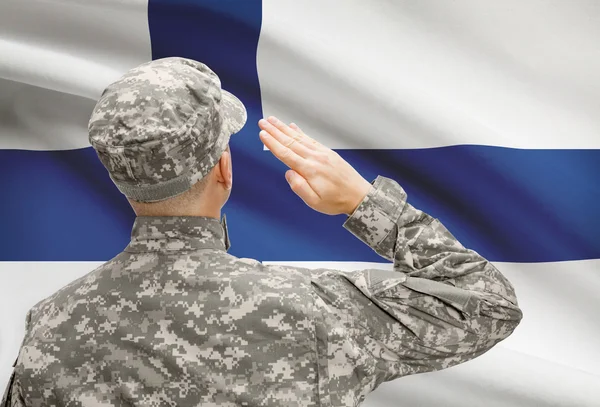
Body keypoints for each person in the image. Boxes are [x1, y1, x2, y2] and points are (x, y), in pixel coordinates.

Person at [1, 57, 523, 407]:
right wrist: (365, 203)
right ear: (223, 168)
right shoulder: (315, 311)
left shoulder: (52, 325)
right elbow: (487, 304)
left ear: (120, 176)